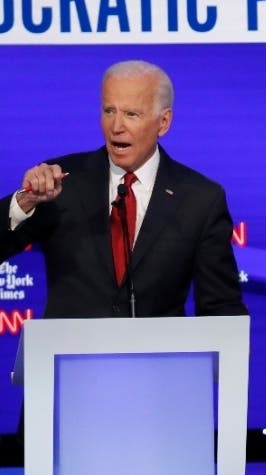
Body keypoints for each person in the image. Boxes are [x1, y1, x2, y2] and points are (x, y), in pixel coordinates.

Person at [2, 59, 248, 318]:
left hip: (160, 357)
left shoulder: (199, 200)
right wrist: (25, 203)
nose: (116, 127)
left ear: (163, 122)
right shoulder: (62, 183)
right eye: (109, 111)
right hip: (68, 356)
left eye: (131, 114)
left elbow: (222, 309)